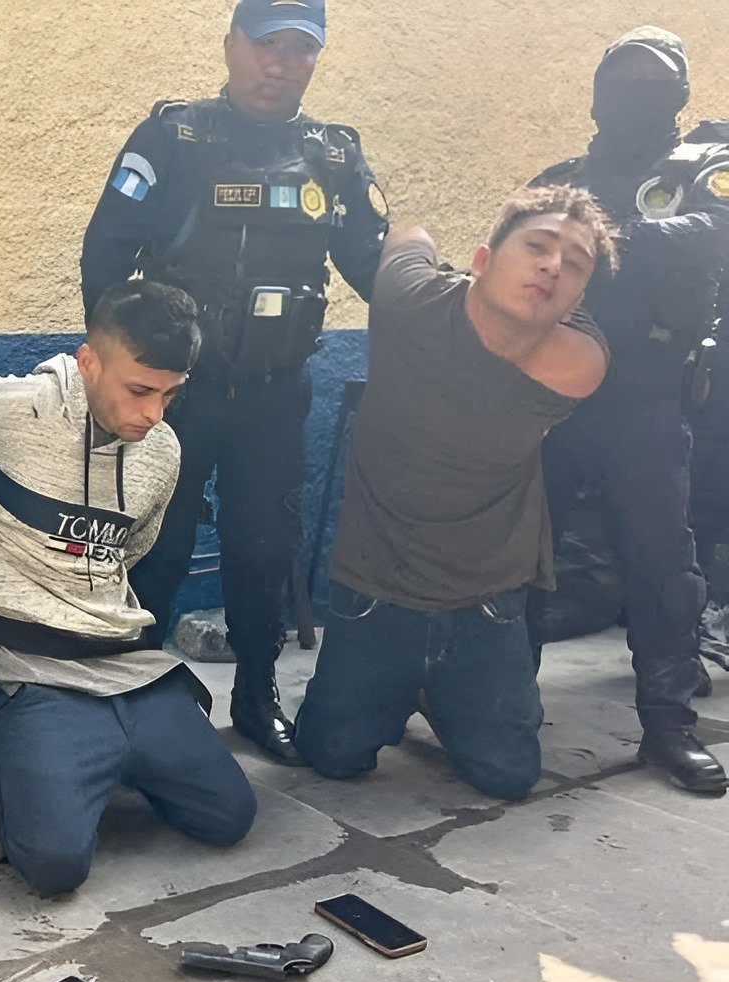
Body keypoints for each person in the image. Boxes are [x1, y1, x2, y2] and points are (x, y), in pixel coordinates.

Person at [80, 0, 388, 766]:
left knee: (264, 548)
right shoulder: (173, 140)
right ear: (232, 46)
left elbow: (379, 269)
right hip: (177, 398)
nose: (281, 62)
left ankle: (256, 695)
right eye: (266, 43)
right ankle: (134, 701)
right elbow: (105, 255)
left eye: (300, 49)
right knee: (157, 548)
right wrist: (123, 381)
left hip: (275, 394)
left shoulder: (332, 156)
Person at [293, 187, 616, 799]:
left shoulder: (579, 362)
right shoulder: (411, 299)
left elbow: (429, 256)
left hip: (486, 601)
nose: (553, 265)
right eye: (537, 246)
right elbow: (409, 236)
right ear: (482, 259)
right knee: (332, 756)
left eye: (574, 264)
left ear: (577, 303)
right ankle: (407, 690)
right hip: (375, 589)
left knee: (511, 776)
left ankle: (435, 693)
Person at [0, 281, 258, 895]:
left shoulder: (162, 452)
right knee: (55, 866)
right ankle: (9, 746)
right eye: (139, 390)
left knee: (229, 816)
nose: (154, 414)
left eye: (170, 394)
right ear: (88, 361)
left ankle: (102, 755)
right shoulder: (1, 413)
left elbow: (129, 551)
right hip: (31, 667)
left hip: (123, 662)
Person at [526, 28, 729, 795]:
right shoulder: (561, 180)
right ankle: (508, 706)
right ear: (597, 93)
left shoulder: (705, 170)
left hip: (646, 400)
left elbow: (715, 234)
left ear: (678, 96)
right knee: (527, 560)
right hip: (552, 400)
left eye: (653, 83)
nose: (635, 95)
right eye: (622, 80)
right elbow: (516, 247)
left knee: (663, 569)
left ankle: (668, 725)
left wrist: (608, 238)